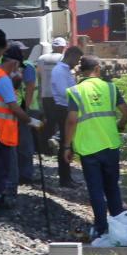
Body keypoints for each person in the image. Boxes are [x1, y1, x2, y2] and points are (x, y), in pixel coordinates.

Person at [62, 54, 127, 241]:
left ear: (81, 71)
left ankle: (102, 229)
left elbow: (71, 120)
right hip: (110, 145)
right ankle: (119, 228)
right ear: (98, 68)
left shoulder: (76, 91)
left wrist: (67, 146)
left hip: (89, 148)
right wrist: (120, 125)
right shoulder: (110, 88)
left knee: (96, 190)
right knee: (112, 188)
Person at [0, 47, 35, 210]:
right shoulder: (3, 79)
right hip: (1, 132)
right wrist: (30, 121)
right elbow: (14, 107)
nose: (18, 71)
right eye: (19, 67)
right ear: (14, 64)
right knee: (0, 167)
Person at [49, 45, 84, 188]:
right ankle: (64, 178)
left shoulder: (65, 70)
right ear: (70, 56)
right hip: (63, 109)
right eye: (77, 59)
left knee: (68, 142)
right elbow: (65, 92)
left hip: (68, 108)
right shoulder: (59, 70)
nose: (77, 63)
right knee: (65, 143)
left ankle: (67, 176)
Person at [8, 41, 38, 187]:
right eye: (20, 51)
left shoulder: (26, 66)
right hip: (23, 108)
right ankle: (22, 173)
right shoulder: (19, 67)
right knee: (21, 142)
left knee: (25, 143)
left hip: (28, 109)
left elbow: (30, 86)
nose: (23, 53)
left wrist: (25, 106)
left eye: (23, 51)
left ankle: (26, 175)